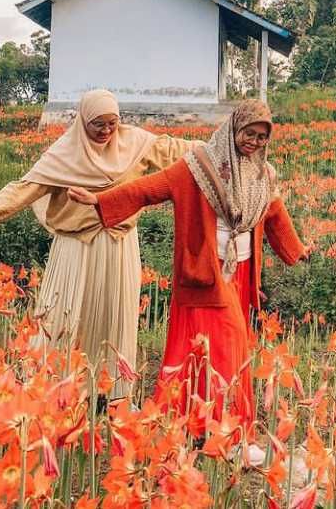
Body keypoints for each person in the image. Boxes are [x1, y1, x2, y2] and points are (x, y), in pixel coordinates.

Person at [67, 99, 308, 456]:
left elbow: (274, 213)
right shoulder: (197, 167)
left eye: (261, 137)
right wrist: (100, 200)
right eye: (249, 134)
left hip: (240, 270)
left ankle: (193, 423)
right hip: (205, 270)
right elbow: (150, 188)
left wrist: (296, 249)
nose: (255, 142)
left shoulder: (263, 174)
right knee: (231, 341)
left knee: (209, 351)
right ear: (232, 129)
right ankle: (232, 434)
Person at [0, 89, 197, 398]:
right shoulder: (64, 154)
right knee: (65, 317)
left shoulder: (137, 144)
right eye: (97, 125)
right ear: (82, 122)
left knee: (114, 317)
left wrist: (225, 147)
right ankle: (56, 387)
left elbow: (177, 150)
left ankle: (110, 391)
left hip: (120, 244)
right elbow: (25, 188)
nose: (106, 131)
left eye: (112, 124)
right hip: (77, 248)